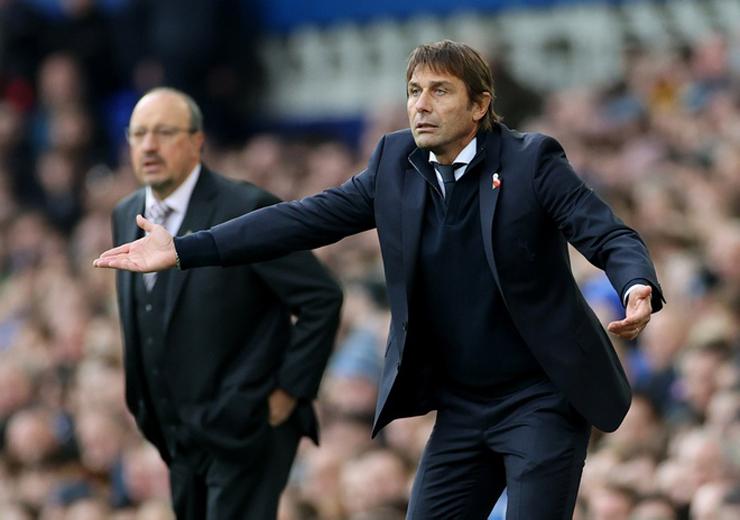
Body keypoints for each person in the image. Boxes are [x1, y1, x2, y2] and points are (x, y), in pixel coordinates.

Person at [95, 42, 664, 519]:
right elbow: (302, 219)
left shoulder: (530, 161)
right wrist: (185, 248)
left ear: (479, 105)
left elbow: (605, 232)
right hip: (463, 406)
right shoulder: (396, 162)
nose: (421, 104)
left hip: (541, 396)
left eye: (439, 91)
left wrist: (634, 283)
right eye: (414, 91)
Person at [105, 87, 343, 519]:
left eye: (164, 132)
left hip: (247, 429)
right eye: (138, 134)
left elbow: (321, 296)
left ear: (197, 141)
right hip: (175, 435)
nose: (149, 145)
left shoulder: (245, 206)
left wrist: (290, 390)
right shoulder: (126, 212)